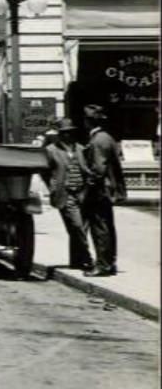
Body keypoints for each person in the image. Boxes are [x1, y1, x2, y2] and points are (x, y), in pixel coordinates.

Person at [43, 118, 94, 272]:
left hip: (82, 193)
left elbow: (86, 169)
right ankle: (88, 259)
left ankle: (76, 261)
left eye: (70, 133)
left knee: (77, 229)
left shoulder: (81, 149)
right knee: (77, 226)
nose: (67, 136)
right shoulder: (51, 150)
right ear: (59, 134)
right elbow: (44, 171)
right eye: (64, 133)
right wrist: (52, 186)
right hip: (65, 194)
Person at [83, 104, 124, 277]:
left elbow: (98, 169)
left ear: (88, 121)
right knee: (107, 226)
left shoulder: (97, 140)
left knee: (99, 227)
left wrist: (87, 188)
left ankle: (103, 265)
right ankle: (110, 261)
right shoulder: (107, 137)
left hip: (99, 190)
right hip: (109, 189)